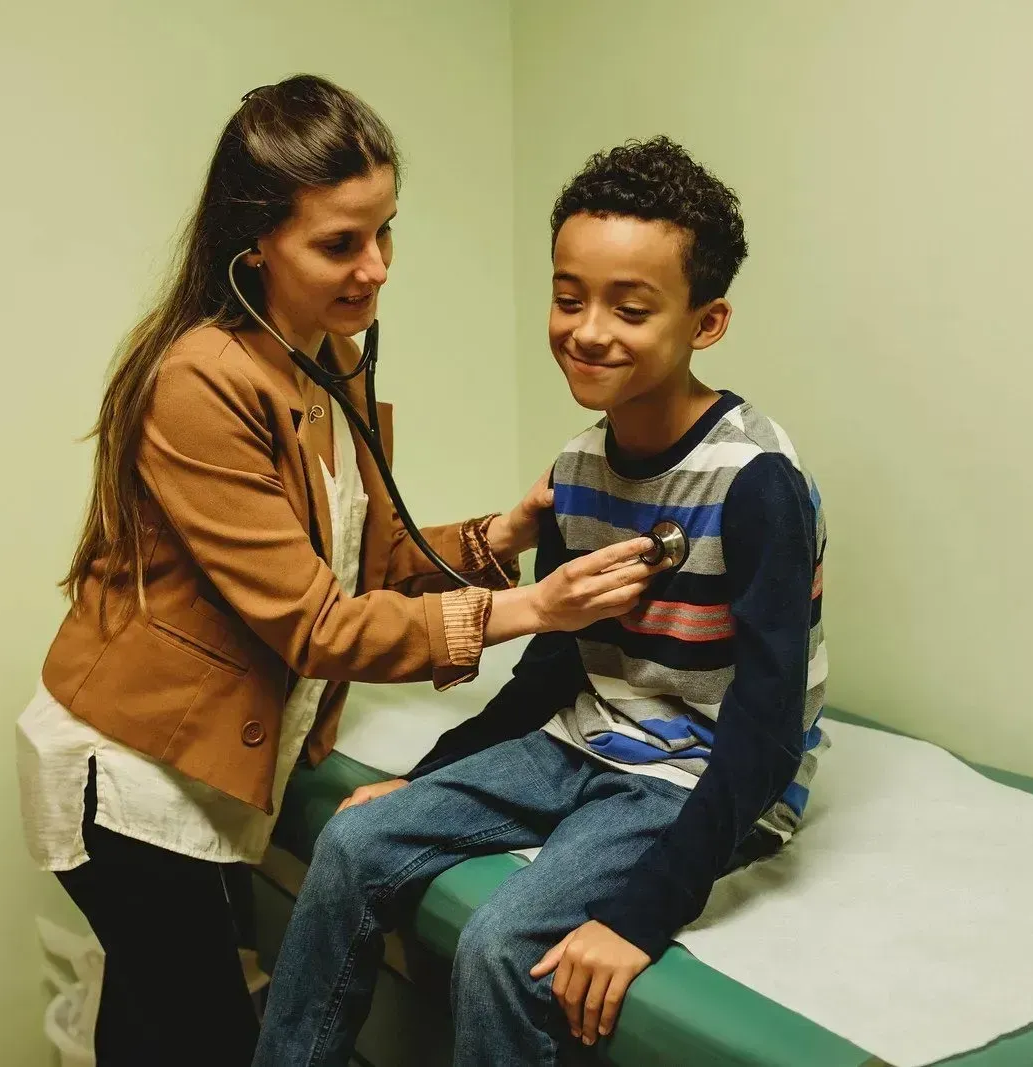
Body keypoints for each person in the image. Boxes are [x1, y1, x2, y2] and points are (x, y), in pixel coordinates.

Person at [13, 74, 661, 1066]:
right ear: (255, 241)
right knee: (204, 1034)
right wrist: (530, 608)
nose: (376, 268)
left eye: (385, 231)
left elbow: (376, 556)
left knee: (155, 1022)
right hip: (132, 780)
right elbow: (316, 621)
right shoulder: (201, 378)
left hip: (200, 776)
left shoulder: (326, 358)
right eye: (339, 243)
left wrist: (512, 526)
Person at [253, 136, 831, 1066]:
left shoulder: (756, 482)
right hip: (584, 735)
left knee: (499, 944)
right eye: (569, 298)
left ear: (707, 321)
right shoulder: (576, 467)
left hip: (696, 774)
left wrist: (640, 919)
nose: (588, 329)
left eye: (630, 307)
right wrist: (434, 774)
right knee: (355, 837)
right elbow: (558, 660)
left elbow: (764, 735)